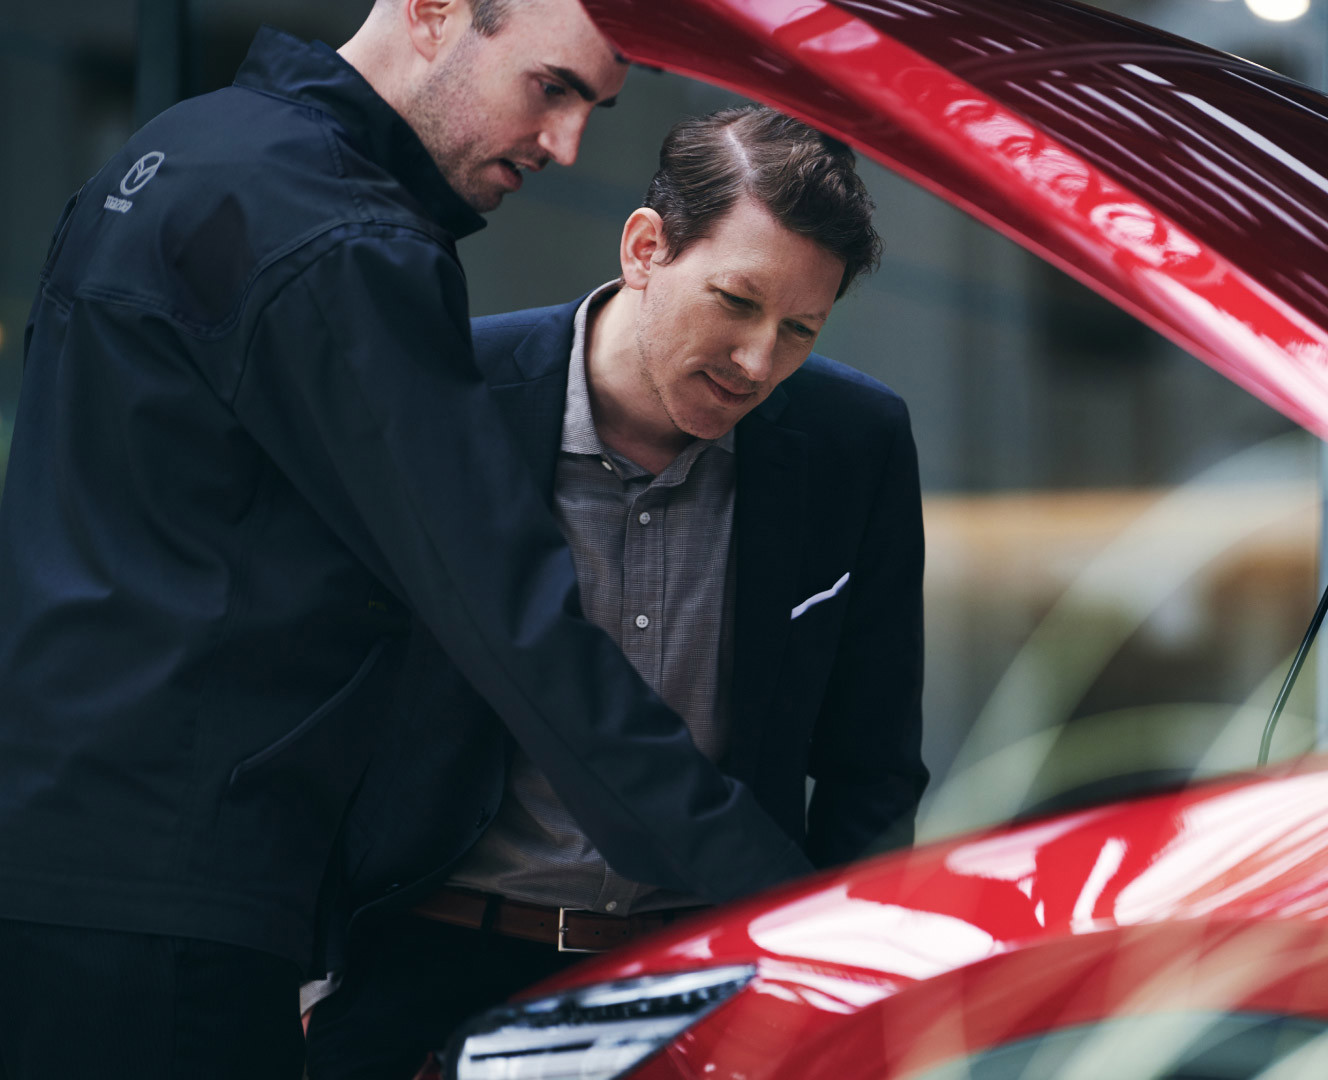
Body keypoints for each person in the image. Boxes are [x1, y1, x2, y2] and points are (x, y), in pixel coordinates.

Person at [0, 2, 815, 1076]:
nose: (568, 144)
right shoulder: (346, 240)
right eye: (553, 88)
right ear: (434, 11)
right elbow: (511, 621)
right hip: (174, 906)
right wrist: (793, 906)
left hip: (53, 866)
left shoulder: (171, 155)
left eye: (595, 108)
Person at [303, 104, 928, 1078]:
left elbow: (873, 767)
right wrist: (305, 971)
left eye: (799, 330)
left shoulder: (856, 444)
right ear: (645, 248)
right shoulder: (448, 392)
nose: (758, 362)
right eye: (736, 301)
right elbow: (314, 686)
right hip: (426, 969)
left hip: (710, 985)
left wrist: (837, 991)